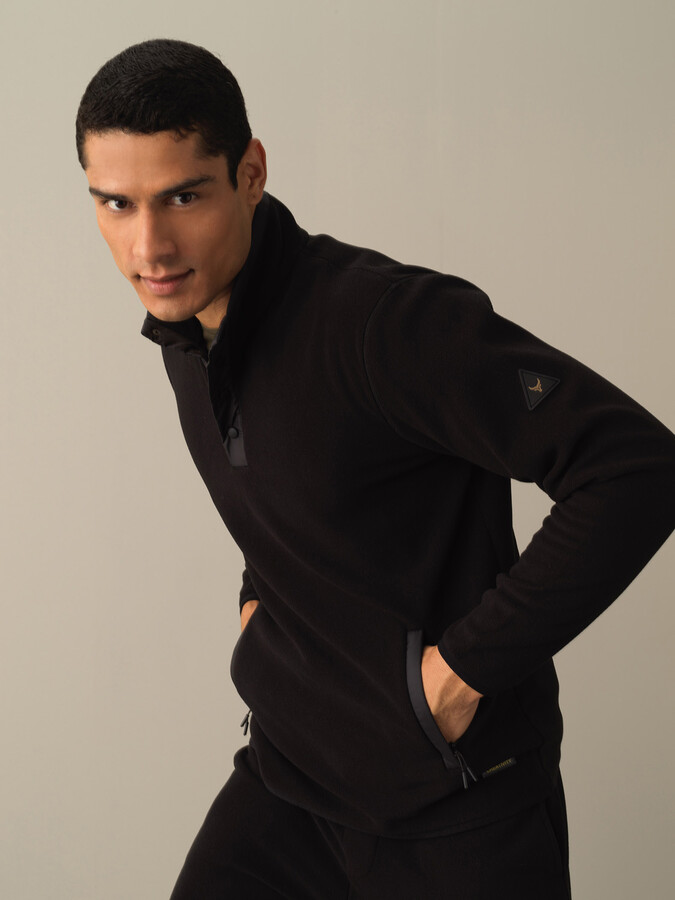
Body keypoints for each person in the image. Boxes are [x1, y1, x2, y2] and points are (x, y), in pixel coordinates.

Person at [76, 39, 675, 899]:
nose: (150, 245)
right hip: (289, 779)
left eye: (183, 196)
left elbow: (635, 468)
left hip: (454, 812)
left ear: (250, 173)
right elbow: (292, 499)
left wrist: (458, 674)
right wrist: (258, 613)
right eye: (116, 203)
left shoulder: (384, 325)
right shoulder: (189, 330)